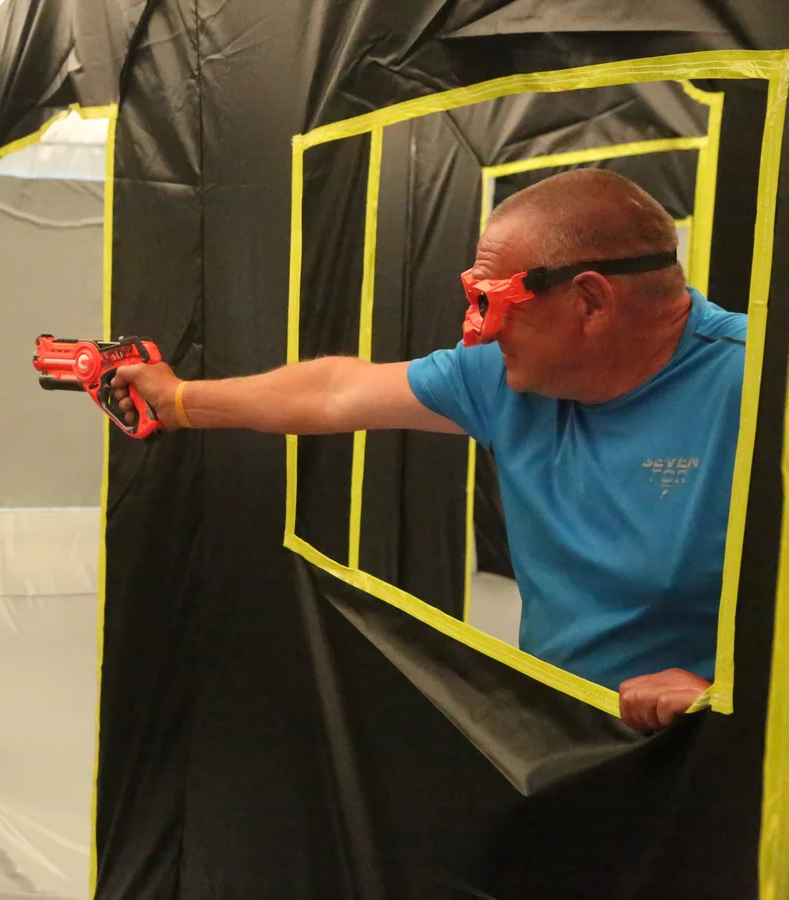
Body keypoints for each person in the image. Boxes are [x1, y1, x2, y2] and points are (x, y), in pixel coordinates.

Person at [112, 168, 744, 734]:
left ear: (590, 301)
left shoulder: (756, 386)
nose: (477, 333)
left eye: (493, 304)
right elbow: (335, 392)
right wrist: (176, 400)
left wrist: (735, 694)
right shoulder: (503, 377)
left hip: (715, 761)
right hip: (563, 736)